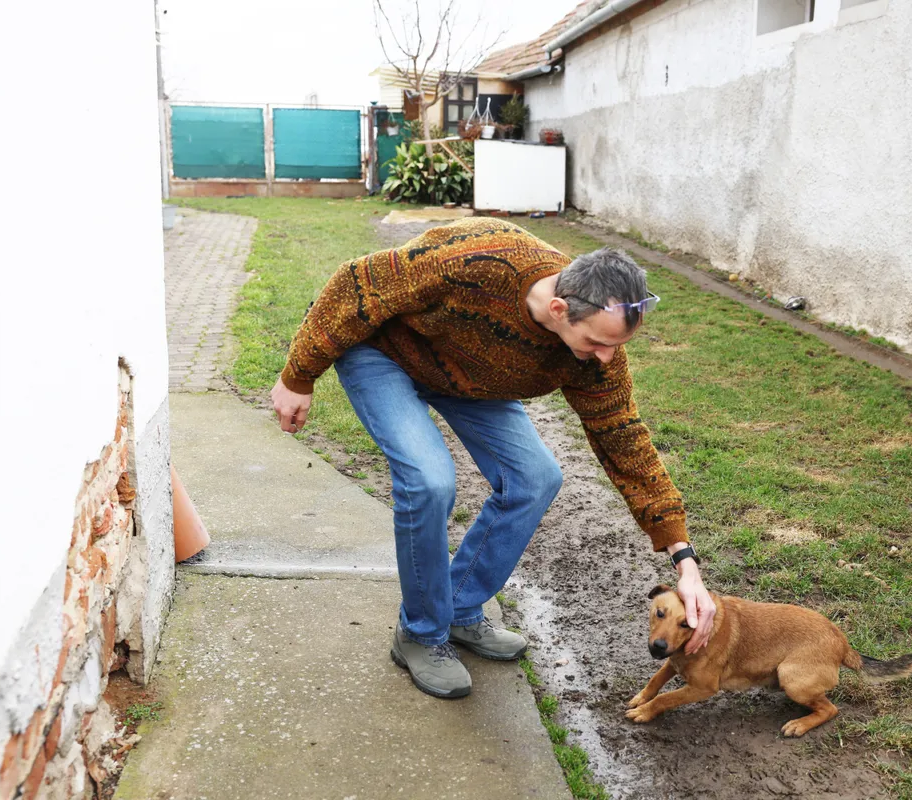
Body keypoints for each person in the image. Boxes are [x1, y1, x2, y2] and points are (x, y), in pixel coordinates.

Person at [271, 217, 715, 698]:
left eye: (616, 346)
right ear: (560, 308)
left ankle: (459, 608)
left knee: (536, 478)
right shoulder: (476, 262)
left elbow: (625, 441)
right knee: (430, 480)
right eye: (597, 343)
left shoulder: (598, 355)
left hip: (469, 380)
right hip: (386, 354)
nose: (607, 357)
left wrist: (684, 560)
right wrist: (299, 375)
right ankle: (421, 634)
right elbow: (354, 283)